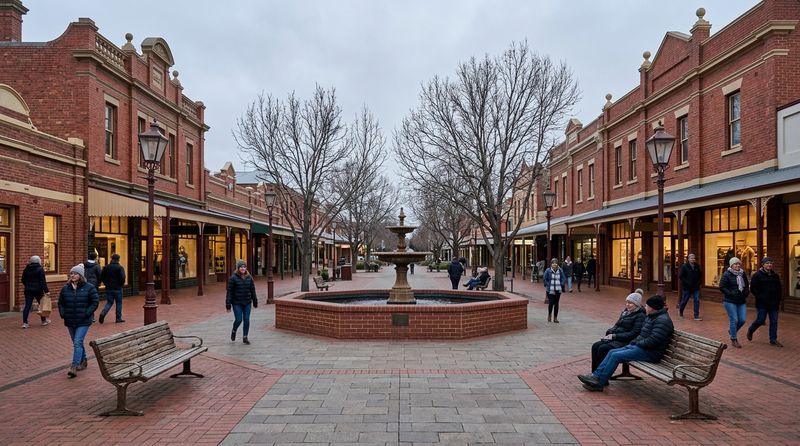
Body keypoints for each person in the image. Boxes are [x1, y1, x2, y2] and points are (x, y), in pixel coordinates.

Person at [578, 295, 674, 391]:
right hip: (642, 348)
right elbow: (642, 335)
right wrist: (634, 342)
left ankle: (599, 383)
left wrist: (636, 343)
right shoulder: (652, 316)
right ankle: (595, 376)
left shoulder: (662, 320)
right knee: (612, 352)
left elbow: (653, 341)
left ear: (652, 308)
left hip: (651, 353)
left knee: (616, 355)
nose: (645, 307)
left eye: (647, 306)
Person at [58, 264, 99, 378]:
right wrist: (63, 313)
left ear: (81, 275)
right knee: (77, 342)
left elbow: (95, 302)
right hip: (70, 319)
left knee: (77, 341)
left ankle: (74, 366)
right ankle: (83, 360)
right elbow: (61, 303)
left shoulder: (89, 287)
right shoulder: (65, 288)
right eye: (71, 273)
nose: (72, 275)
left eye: (75, 273)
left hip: (84, 320)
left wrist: (87, 313)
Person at [590, 292, 646, 371]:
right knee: (595, 346)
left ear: (636, 304)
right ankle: (594, 373)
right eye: (626, 302)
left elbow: (633, 334)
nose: (627, 304)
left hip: (627, 341)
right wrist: (609, 332)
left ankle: (601, 376)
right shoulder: (625, 312)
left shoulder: (640, 316)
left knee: (603, 348)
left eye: (630, 303)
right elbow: (616, 325)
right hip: (617, 339)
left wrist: (614, 336)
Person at [746, 257, 783, 347]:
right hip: (762, 303)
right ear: (763, 264)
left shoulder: (775, 276)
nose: (769, 265)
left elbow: (779, 288)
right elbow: (753, 289)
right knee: (760, 320)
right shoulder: (757, 275)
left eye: (771, 263)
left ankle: (773, 339)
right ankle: (751, 330)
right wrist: (761, 297)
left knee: (774, 321)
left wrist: (778, 299)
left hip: (774, 303)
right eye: (767, 263)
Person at [719, 257, 749, 348]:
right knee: (734, 320)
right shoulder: (727, 274)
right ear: (731, 265)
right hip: (730, 301)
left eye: (738, 264)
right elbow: (722, 286)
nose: (737, 265)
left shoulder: (742, 274)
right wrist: (731, 294)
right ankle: (734, 339)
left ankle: (732, 330)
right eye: (735, 264)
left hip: (741, 300)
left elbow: (747, 285)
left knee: (742, 320)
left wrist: (746, 293)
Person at [226, 260, 258, 345]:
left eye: (244, 267)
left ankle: (245, 337)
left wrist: (255, 301)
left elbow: (253, 290)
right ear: (238, 268)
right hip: (237, 303)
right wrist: (228, 304)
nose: (243, 268)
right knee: (239, 319)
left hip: (247, 302)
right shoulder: (233, 278)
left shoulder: (249, 277)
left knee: (246, 319)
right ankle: (234, 330)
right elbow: (229, 292)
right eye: (241, 267)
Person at [21, 255, 50, 328]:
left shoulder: (26, 268)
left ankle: (25, 323)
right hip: (38, 290)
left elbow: (23, 279)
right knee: (41, 306)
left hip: (28, 290)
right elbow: (42, 282)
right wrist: (46, 291)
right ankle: (43, 321)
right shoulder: (40, 269)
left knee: (27, 306)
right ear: (38, 261)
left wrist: (27, 285)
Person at [99, 253, 126, 324]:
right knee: (119, 303)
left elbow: (102, 277)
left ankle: (103, 313)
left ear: (112, 259)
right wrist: (121, 284)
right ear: (118, 259)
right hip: (118, 288)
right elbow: (122, 278)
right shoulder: (120, 268)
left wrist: (105, 283)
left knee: (109, 302)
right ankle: (118, 318)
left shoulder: (106, 267)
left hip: (109, 288)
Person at [678, 253, 703, 320]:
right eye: (691, 258)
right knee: (684, 301)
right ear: (688, 259)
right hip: (687, 287)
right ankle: (680, 312)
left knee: (697, 300)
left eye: (694, 258)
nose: (693, 259)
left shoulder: (697, 266)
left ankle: (696, 316)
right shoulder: (684, 266)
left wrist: (699, 283)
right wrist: (687, 283)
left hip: (695, 287)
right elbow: (681, 276)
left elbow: (700, 276)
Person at [543, 258, 565, 323]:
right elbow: (544, 278)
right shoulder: (548, 270)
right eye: (553, 263)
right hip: (550, 290)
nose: (554, 264)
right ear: (551, 264)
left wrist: (561, 284)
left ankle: (555, 317)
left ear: (557, 264)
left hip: (558, 289)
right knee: (551, 303)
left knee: (556, 304)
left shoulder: (560, 270)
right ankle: (549, 315)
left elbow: (563, 278)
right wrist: (548, 285)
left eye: (555, 263)